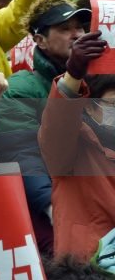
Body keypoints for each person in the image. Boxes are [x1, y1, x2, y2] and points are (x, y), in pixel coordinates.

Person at [0, 0, 92, 254]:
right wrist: (52, 207)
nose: (76, 34)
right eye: (64, 29)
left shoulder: (103, 80)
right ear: (40, 40)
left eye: (80, 27)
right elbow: (22, 153)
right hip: (54, 213)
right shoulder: (20, 88)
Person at [39, 29, 115, 259]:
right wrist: (73, 75)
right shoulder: (71, 146)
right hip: (88, 275)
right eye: (112, 104)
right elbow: (56, 126)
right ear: (91, 106)